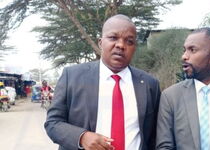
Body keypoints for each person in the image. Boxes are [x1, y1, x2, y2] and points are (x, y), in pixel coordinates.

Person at [45, 14, 161, 150]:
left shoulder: (149, 84)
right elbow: (53, 123)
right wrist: (81, 137)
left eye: (129, 41)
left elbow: (154, 134)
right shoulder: (72, 76)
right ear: (100, 42)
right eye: (113, 38)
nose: (121, 45)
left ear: (134, 47)